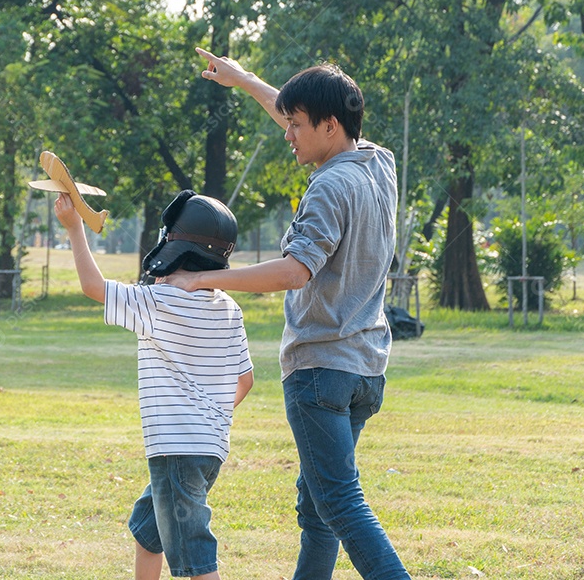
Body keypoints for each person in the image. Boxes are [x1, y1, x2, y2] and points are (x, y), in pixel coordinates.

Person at [161, 48, 410, 580]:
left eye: (296, 125)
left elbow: (295, 272)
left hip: (320, 369)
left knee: (340, 504)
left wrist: (199, 277)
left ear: (330, 125)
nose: (288, 132)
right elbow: (301, 112)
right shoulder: (377, 164)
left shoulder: (329, 186)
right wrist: (246, 80)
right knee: (319, 508)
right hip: (365, 369)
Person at [53, 189, 254, 580]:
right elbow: (245, 380)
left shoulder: (158, 301)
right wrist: (207, 416)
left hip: (175, 452)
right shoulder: (230, 308)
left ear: (173, 247)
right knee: (149, 535)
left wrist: (75, 227)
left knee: (195, 561)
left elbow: (94, 287)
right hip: (208, 451)